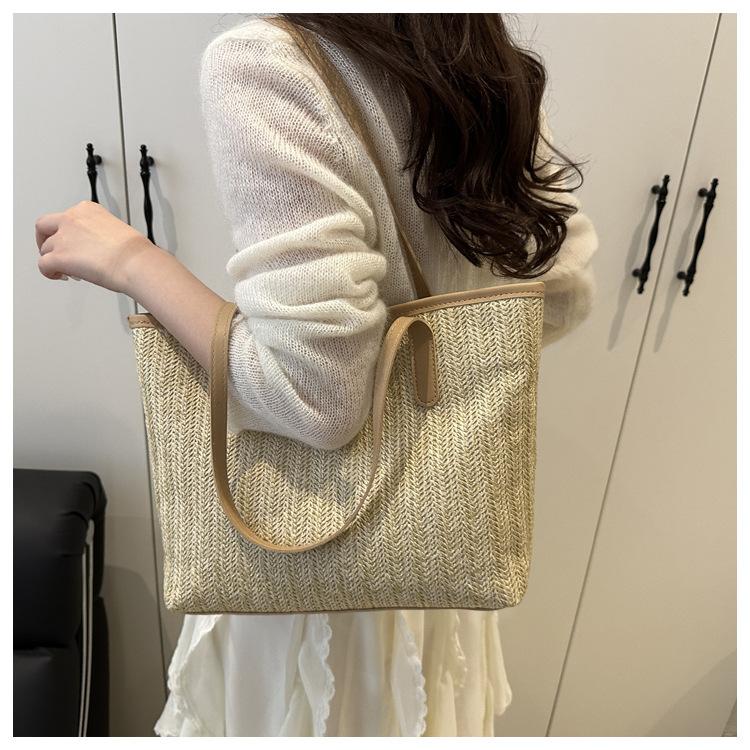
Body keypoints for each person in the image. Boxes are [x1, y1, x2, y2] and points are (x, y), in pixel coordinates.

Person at [35, 12, 598, 737]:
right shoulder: (480, 60)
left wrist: (132, 261)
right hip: (436, 556)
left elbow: (316, 400)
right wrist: (428, 362)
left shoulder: (269, 62)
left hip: (305, 584)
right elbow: (563, 291)